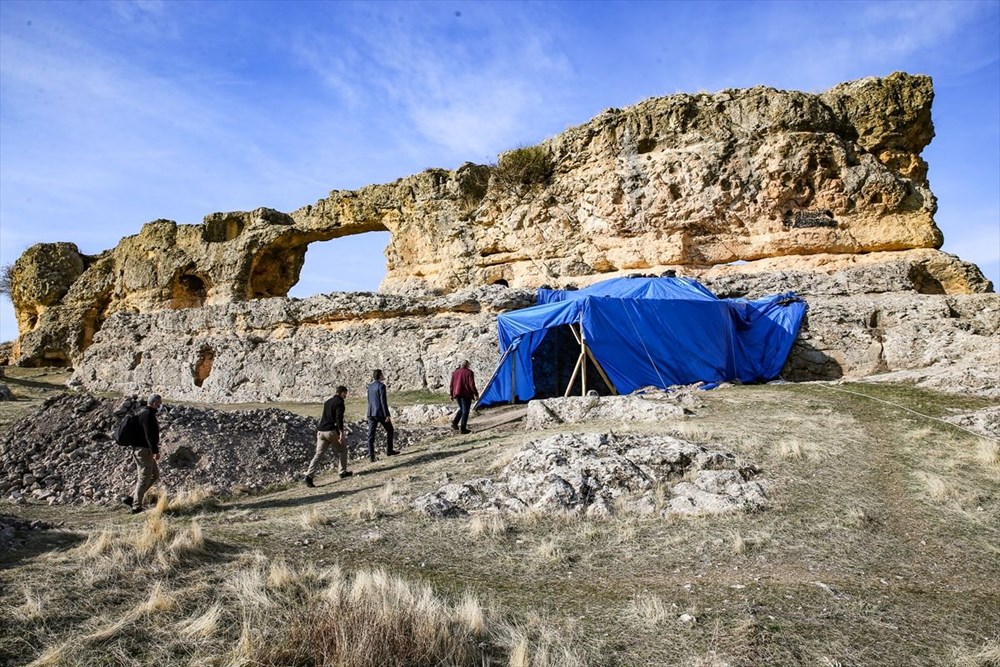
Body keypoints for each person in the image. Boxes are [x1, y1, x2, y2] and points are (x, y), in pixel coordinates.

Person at [121, 393, 162, 514]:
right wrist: (155, 451)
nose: (160, 405)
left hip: (144, 450)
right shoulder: (148, 415)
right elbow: (149, 436)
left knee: (154, 474)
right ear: (154, 403)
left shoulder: (144, 412)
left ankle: (133, 498)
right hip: (144, 451)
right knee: (144, 479)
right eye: (159, 403)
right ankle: (136, 506)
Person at [304, 385, 353, 487]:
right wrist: (341, 434)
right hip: (331, 432)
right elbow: (339, 419)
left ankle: (309, 476)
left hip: (321, 431)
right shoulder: (340, 403)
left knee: (318, 454)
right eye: (346, 393)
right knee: (343, 450)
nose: (346, 395)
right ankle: (342, 472)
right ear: (342, 393)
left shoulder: (327, 402)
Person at [366, 369, 397, 461]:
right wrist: (387, 414)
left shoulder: (369, 386)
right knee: (390, 429)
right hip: (379, 413)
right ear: (380, 375)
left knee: (371, 435)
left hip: (371, 412)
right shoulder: (381, 386)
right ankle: (389, 450)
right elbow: (383, 401)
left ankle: (371, 456)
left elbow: (369, 400)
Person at [450, 360, 479, 434]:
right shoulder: (469, 372)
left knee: (462, 409)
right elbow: (471, 385)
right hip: (465, 393)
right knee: (465, 411)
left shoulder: (455, 372)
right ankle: (463, 429)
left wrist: (451, 394)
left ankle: (455, 423)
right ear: (467, 365)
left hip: (456, 393)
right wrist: (476, 394)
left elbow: (452, 384)